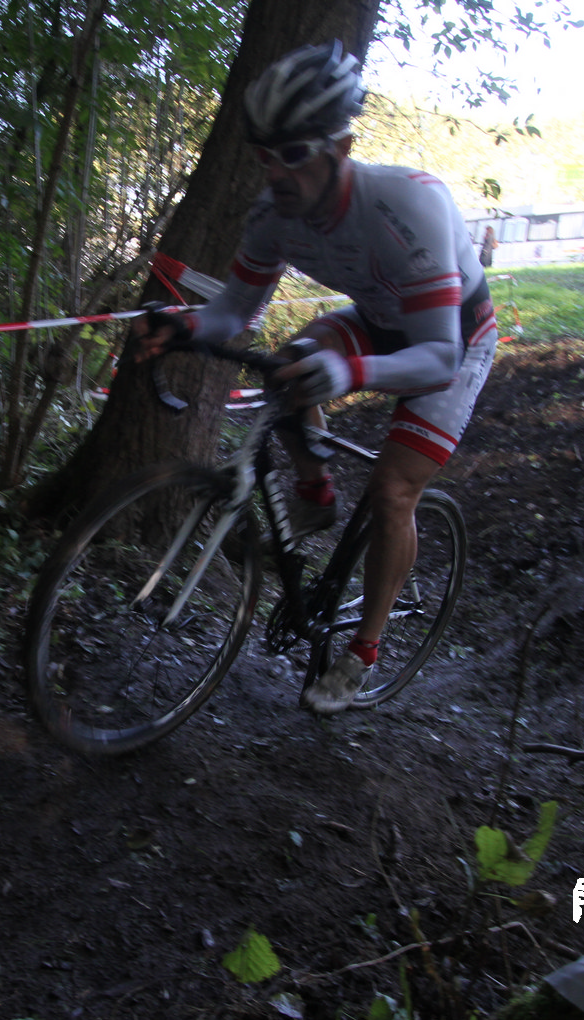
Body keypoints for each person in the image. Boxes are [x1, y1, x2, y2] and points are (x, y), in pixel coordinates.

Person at [132, 40, 497, 714]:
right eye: (264, 155)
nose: (276, 172)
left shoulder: (405, 205)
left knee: (392, 493)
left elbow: (438, 356)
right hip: (378, 319)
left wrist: (349, 370)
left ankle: (363, 653)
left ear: (341, 147)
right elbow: (234, 311)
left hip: (453, 339)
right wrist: (183, 326)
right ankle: (315, 490)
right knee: (288, 362)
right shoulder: (272, 214)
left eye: (294, 153)